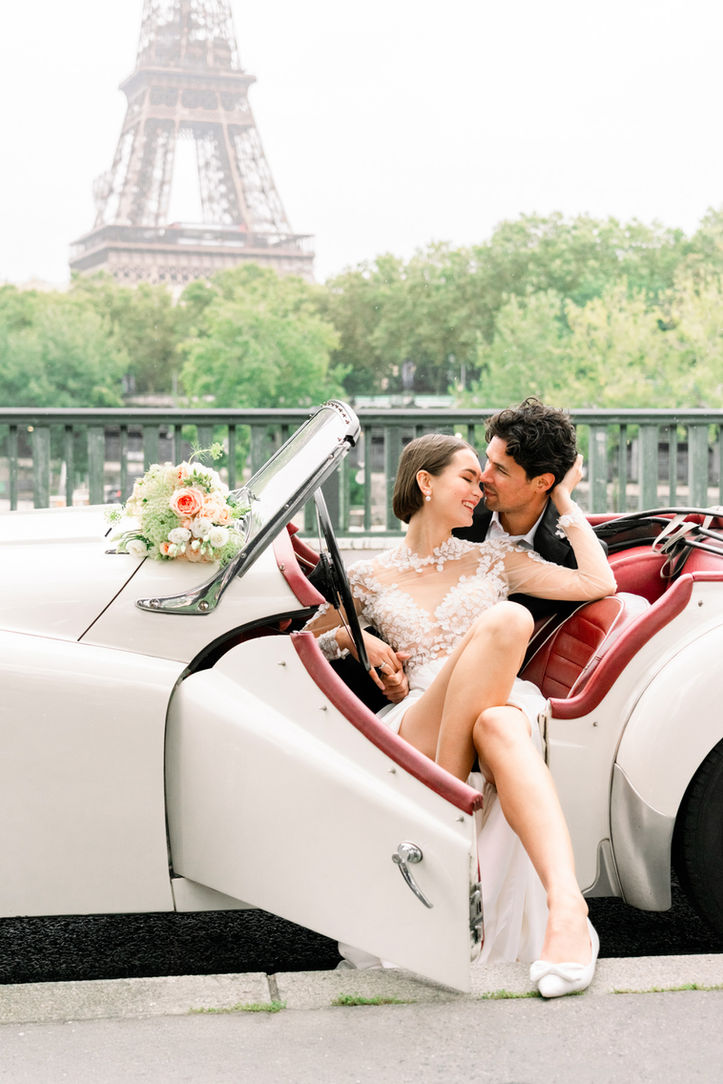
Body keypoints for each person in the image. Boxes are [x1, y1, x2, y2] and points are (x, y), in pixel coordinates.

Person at [306, 432, 616, 997]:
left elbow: (599, 583)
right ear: (425, 482)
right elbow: (306, 642)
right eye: (469, 478)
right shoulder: (370, 578)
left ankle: (564, 908)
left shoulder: (496, 559)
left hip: (499, 704)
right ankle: (458, 831)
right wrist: (359, 641)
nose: (481, 490)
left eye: (484, 478)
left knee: (500, 687)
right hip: (421, 716)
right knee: (506, 629)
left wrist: (567, 501)